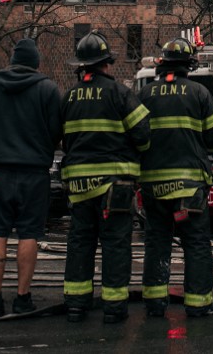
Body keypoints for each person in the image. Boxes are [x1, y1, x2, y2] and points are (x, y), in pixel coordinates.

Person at [60, 32, 150, 324]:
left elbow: (60, 138)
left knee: (80, 244)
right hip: (115, 185)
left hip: (78, 185)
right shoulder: (120, 93)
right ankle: (113, 307)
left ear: (82, 66)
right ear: (106, 64)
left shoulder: (69, 96)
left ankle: (76, 304)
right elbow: (143, 134)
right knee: (115, 244)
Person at [0, 38, 63, 317]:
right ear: (36, 63)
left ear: (12, 61)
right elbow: (56, 132)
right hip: (33, 173)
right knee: (29, 234)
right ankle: (23, 297)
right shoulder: (48, 89)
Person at [138, 38, 213, 318]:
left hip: (154, 186)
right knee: (196, 243)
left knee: (157, 242)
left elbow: (135, 139)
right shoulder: (200, 93)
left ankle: (154, 303)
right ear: (190, 66)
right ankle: (199, 304)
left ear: (162, 64)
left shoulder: (145, 95)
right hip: (190, 188)